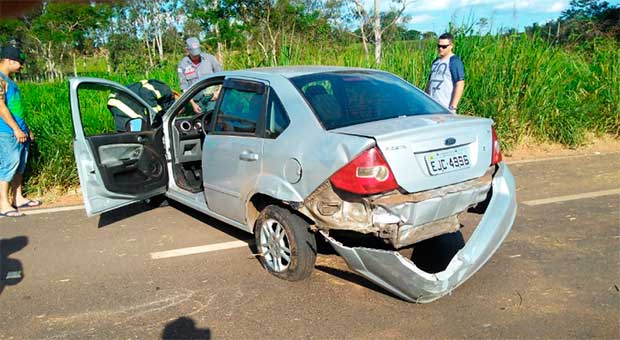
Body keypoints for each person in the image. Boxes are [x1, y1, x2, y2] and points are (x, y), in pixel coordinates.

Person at [0, 46, 41, 217]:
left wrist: (26, 129)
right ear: (9, 60)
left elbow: (17, 108)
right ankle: (3, 204)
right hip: (7, 131)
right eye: (20, 63)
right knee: (9, 164)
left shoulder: (10, 80)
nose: (21, 67)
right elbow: (0, 106)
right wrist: (15, 129)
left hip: (20, 130)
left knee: (20, 165)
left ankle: (18, 198)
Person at [107, 79, 176, 131]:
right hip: (121, 99)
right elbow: (146, 92)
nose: (179, 112)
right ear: (177, 95)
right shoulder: (165, 89)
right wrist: (153, 116)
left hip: (118, 99)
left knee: (128, 134)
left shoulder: (164, 103)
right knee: (141, 131)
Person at [177, 37, 222, 113]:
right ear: (187, 50)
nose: (196, 56)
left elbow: (221, 76)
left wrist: (218, 91)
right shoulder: (182, 65)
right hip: (196, 102)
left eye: (198, 53)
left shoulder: (210, 59)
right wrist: (193, 104)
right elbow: (184, 87)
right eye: (194, 54)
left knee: (213, 119)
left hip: (213, 98)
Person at [425, 33, 465, 113]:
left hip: (445, 107)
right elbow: (429, 83)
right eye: (439, 46)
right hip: (432, 106)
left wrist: (453, 107)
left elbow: (460, 83)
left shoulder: (454, 61)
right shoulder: (435, 62)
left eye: (444, 47)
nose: (440, 49)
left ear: (451, 46)